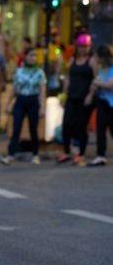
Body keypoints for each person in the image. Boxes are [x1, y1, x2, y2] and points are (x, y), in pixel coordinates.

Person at [1, 48, 46, 165]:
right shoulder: (19, 71)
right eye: (31, 55)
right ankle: (10, 154)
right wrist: (8, 104)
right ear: (25, 57)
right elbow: (14, 89)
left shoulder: (39, 72)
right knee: (16, 128)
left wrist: (42, 107)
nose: (33, 58)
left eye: (35, 56)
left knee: (33, 128)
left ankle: (35, 154)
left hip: (33, 100)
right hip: (20, 100)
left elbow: (42, 91)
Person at [57, 34, 96, 166]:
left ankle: (81, 154)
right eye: (81, 46)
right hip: (72, 96)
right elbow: (68, 77)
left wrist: (90, 95)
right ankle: (66, 151)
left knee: (81, 125)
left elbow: (96, 79)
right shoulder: (72, 60)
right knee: (66, 124)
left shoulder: (91, 61)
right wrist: (64, 93)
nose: (83, 49)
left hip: (84, 98)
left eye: (86, 46)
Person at [88, 45, 113, 166]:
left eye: (97, 56)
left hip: (112, 103)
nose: (95, 58)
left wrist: (98, 83)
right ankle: (100, 155)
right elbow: (95, 81)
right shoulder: (101, 69)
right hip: (102, 102)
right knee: (100, 129)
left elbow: (109, 85)